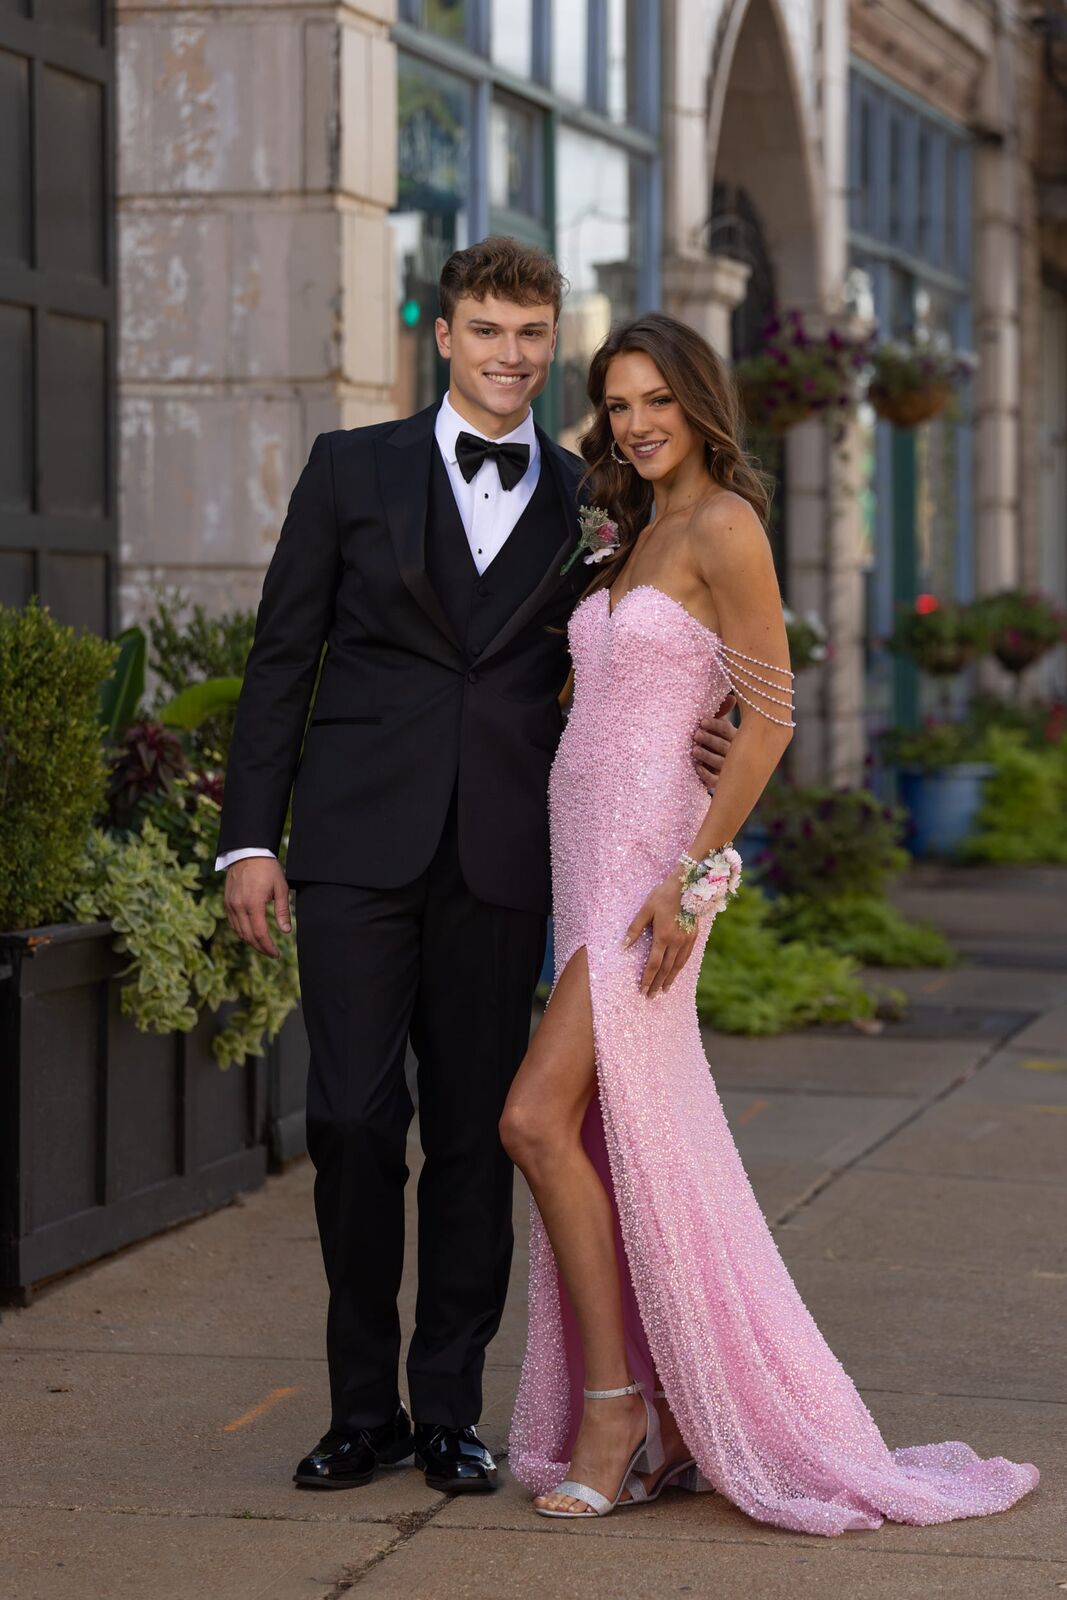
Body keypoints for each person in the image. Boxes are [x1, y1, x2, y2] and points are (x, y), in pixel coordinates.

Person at [501, 312, 1039, 1533]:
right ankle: (663, 1412)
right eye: (617, 404)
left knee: (533, 1119)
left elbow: (772, 714)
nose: (636, 424)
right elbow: (640, 699)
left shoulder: (726, 526)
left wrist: (692, 874)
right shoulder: (628, 531)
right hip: (577, 852)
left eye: (655, 401)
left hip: (644, 870)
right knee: (600, 1137)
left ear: (698, 402)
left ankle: (616, 1409)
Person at [216, 240, 737, 1494]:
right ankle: (361, 1407)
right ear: (441, 335)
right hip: (351, 842)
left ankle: (446, 1405)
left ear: (549, 342)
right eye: (487, 329)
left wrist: (705, 727)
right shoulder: (351, 468)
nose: (511, 354)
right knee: (348, 1117)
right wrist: (247, 835)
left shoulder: (588, 500)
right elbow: (283, 654)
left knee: (471, 1132)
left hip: (508, 848)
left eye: (531, 333)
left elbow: (640, 651)